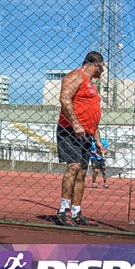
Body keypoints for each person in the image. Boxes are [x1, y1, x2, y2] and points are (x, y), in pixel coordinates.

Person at [54, 51, 105, 227]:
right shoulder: (76, 76)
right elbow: (65, 98)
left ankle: (75, 212)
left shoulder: (91, 84)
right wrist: (75, 123)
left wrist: (97, 138)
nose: (103, 71)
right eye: (103, 67)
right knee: (73, 167)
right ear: (96, 63)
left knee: (82, 172)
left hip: (87, 134)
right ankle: (63, 210)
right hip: (70, 130)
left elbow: (93, 114)